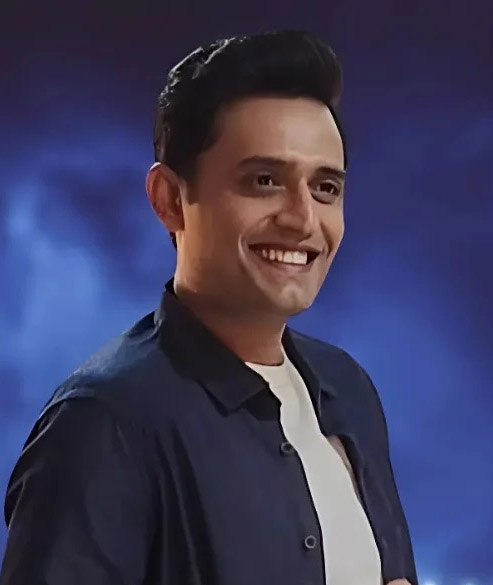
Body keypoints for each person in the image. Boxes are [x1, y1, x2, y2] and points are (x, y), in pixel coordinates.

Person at [0, 30, 418, 585]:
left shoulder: (349, 390)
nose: (303, 219)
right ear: (170, 200)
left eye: (325, 188)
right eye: (264, 181)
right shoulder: (104, 423)